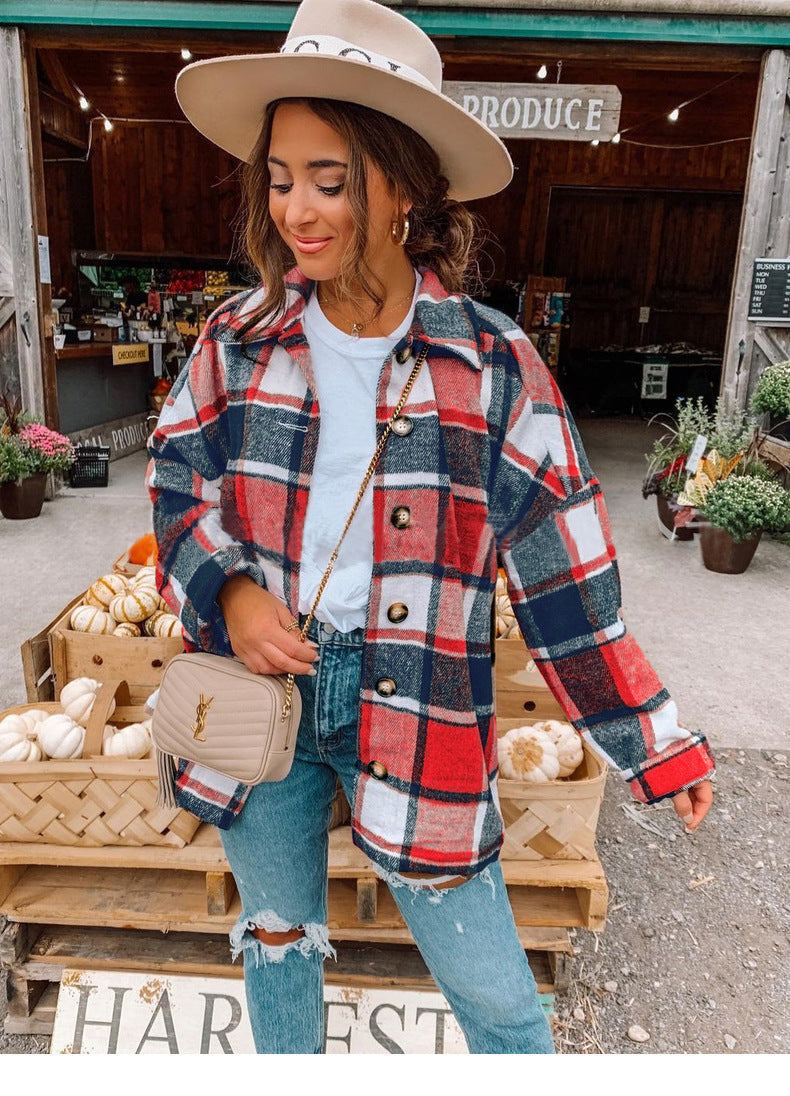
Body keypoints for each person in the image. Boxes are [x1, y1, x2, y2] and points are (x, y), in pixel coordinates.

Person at [147, 0, 714, 1055]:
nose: (297, 212)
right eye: (280, 178)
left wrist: (654, 743)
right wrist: (229, 590)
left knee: (495, 996)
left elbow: (565, 586)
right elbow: (178, 478)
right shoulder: (240, 338)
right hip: (258, 690)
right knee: (277, 936)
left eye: (331, 178)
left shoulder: (493, 368)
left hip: (414, 696)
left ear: (405, 184)